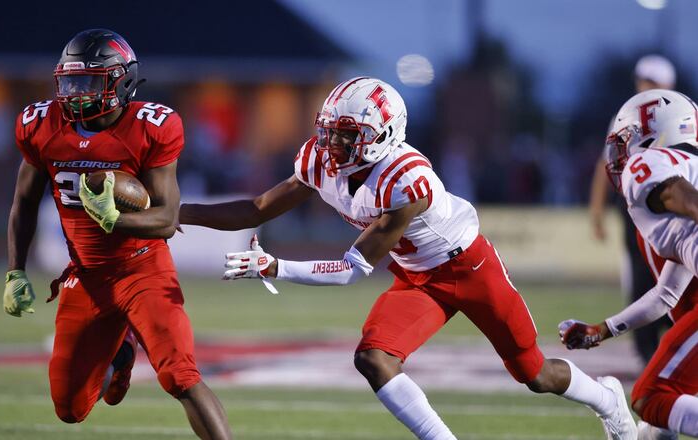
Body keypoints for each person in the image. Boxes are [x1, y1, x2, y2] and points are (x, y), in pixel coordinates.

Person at [179, 77, 637, 439]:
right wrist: (178, 213)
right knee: (374, 358)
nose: (331, 145)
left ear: (383, 135)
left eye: (345, 135)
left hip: (469, 268)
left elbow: (349, 271)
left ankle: (606, 399)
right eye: (329, 131)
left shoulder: (406, 181)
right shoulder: (320, 161)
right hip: (419, 277)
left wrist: (276, 267)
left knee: (534, 373)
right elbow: (258, 208)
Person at [3, 29, 232, 439]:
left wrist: (115, 220)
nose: (75, 93)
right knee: (70, 409)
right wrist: (15, 271)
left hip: (144, 268)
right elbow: (23, 203)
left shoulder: (152, 127)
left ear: (121, 80)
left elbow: (166, 219)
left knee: (180, 375)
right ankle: (124, 351)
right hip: (87, 275)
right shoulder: (40, 125)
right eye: (69, 82)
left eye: (88, 82)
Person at [560, 89, 698, 438]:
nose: (620, 153)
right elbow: (667, 292)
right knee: (655, 424)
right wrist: (602, 330)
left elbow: (679, 195)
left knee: (653, 397)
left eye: (627, 140)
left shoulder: (647, 165)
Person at [587, 55, 677, 364]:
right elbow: (607, 163)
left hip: (672, 199)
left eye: (651, 81)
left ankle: (670, 338)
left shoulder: (679, 111)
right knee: (642, 276)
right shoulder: (628, 114)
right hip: (636, 204)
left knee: (672, 273)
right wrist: (597, 211)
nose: (644, 86)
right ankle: (648, 350)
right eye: (643, 80)